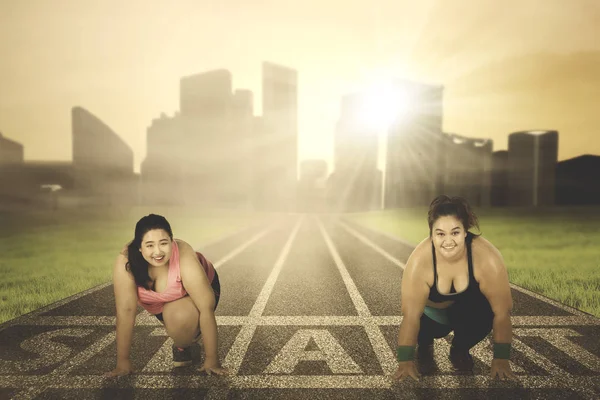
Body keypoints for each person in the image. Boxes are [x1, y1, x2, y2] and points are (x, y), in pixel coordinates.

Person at [393, 195, 517, 382]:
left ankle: (460, 348)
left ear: (465, 232)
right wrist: (405, 362)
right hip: (432, 317)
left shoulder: (486, 257)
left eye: (455, 233)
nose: (448, 241)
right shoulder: (420, 261)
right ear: (431, 234)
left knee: (490, 310)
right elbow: (410, 316)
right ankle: (425, 342)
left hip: (466, 312)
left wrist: (501, 358)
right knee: (421, 323)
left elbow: (502, 312)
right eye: (440, 234)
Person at [105, 213, 228, 377]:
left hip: (198, 292)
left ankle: (185, 344)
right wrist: (123, 362)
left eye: (163, 243)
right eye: (149, 245)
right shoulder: (126, 263)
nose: (157, 252)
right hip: (160, 305)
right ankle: (183, 335)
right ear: (139, 247)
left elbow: (206, 307)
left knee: (181, 320)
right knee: (174, 317)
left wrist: (212, 359)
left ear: (172, 242)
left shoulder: (183, 253)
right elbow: (125, 311)